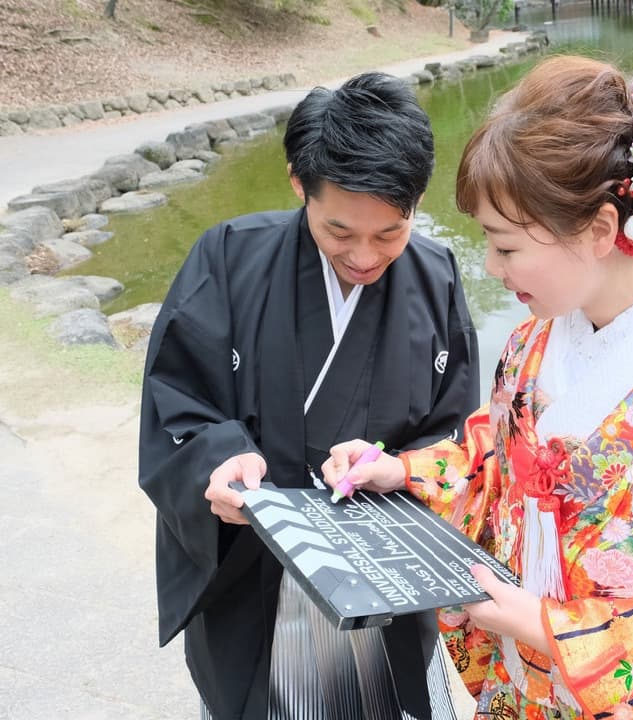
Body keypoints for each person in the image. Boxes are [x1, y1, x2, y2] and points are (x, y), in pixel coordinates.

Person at [324, 57, 633, 720]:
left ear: (598, 232)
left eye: (505, 246)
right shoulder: (536, 342)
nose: (492, 268)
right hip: (526, 685)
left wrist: (552, 629)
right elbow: (493, 462)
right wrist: (403, 470)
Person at [138, 72, 480, 720]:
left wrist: (398, 470)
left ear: (416, 201)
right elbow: (176, 398)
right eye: (340, 231)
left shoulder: (436, 276)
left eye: (390, 233)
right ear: (300, 183)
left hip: (384, 578)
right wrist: (220, 459)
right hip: (257, 573)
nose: (364, 256)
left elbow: (454, 428)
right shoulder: (229, 257)